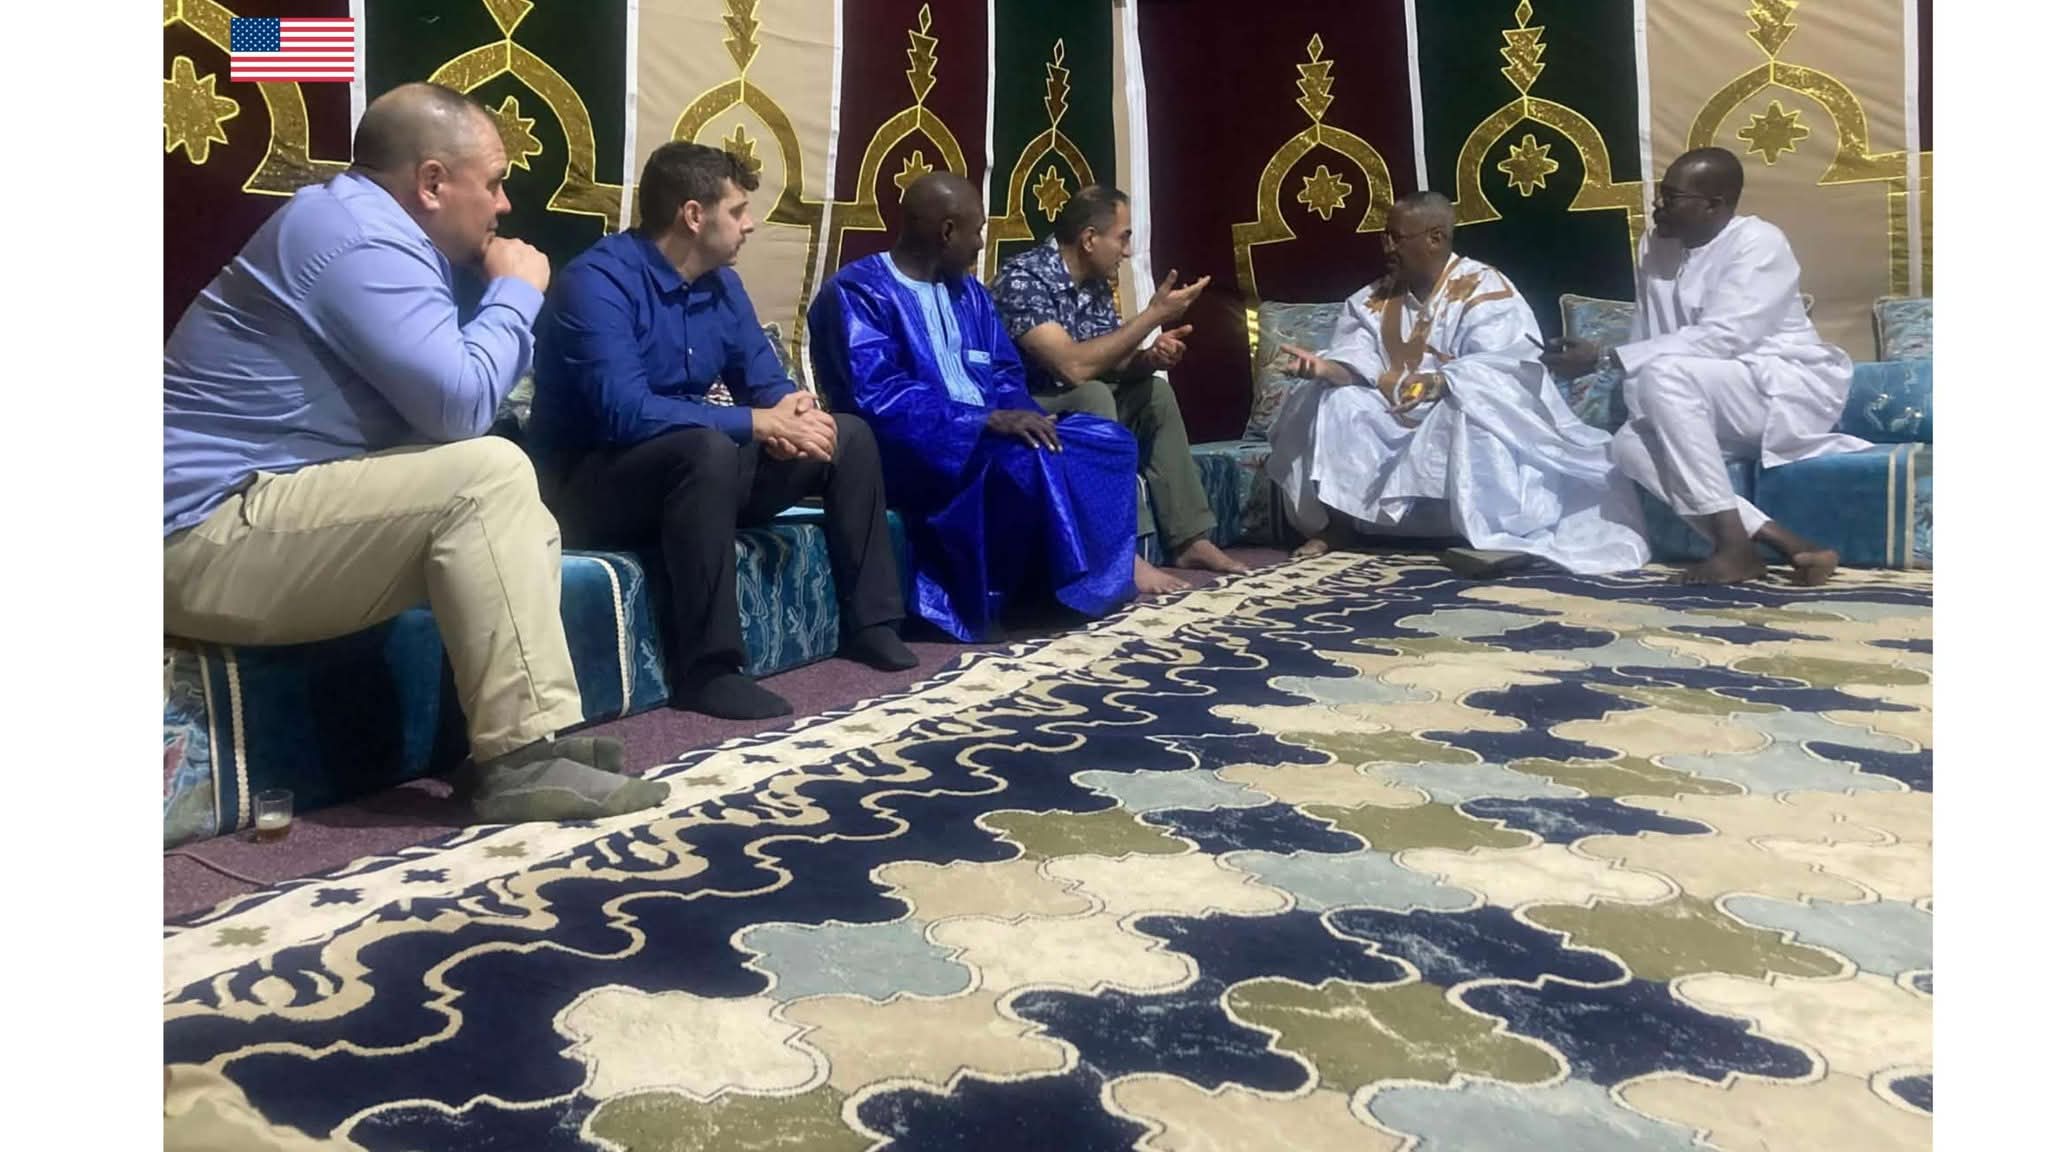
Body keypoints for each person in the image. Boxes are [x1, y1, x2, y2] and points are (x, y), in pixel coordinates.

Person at [162, 82, 666, 823]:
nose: (503, 206)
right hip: (199, 533)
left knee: (520, 514)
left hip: (257, 510)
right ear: (432, 182)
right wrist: (517, 292)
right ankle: (522, 761)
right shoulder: (361, 239)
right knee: (486, 474)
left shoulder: (365, 226)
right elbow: (460, 407)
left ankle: (517, 739)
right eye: (493, 183)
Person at [530, 142, 915, 720]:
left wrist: (791, 412)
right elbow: (625, 413)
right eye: (737, 211)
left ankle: (873, 622)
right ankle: (707, 670)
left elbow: (764, 383)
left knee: (847, 434)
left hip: (693, 479)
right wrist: (756, 422)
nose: (749, 224)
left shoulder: (721, 285)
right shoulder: (598, 283)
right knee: (705, 449)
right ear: (693, 215)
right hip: (589, 486)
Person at [807, 171, 1141, 642]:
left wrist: (1025, 417)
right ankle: (1036, 598)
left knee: (1108, 442)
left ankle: (1080, 585)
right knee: (1032, 462)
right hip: (919, 451)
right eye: (977, 231)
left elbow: (1004, 374)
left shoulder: (972, 296)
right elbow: (878, 396)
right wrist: (982, 421)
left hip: (990, 435)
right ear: (946, 231)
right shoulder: (857, 293)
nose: (982, 243)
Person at [1263, 190, 1650, 574]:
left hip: (1454, 410)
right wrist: (1326, 369)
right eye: (1385, 237)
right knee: (1336, 399)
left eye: (1397, 237)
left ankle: (1485, 530)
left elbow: (1509, 366)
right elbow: (1357, 363)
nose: (1387, 247)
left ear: (1435, 238)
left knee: (1472, 403)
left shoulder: (1485, 289)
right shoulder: (1370, 300)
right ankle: (1342, 526)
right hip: (1393, 415)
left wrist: (1441, 383)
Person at [1544, 147, 1866, 584]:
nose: (1658, 205)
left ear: (1715, 205)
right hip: (1700, 398)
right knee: (1629, 445)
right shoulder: (1655, 245)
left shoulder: (1759, 242)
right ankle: (1786, 543)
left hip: (1782, 388)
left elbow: (1723, 338)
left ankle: (1731, 547)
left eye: (1672, 197)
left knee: (1664, 375)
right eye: (1660, 194)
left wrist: (1604, 357)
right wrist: (1635, 389)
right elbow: (1650, 335)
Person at [992, 186, 1246, 593]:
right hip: (1024, 409)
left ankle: (1189, 538)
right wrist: (1153, 316)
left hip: (1077, 399)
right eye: (1123, 237)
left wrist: (1149, 359)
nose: (1127, 251)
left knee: (1155, 394)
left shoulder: (1093, 283)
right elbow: (1073, 367)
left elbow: (1109, 360)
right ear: (1090, 239)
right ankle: (1123, 551)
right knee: (1093, 394)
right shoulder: (1024, 278)